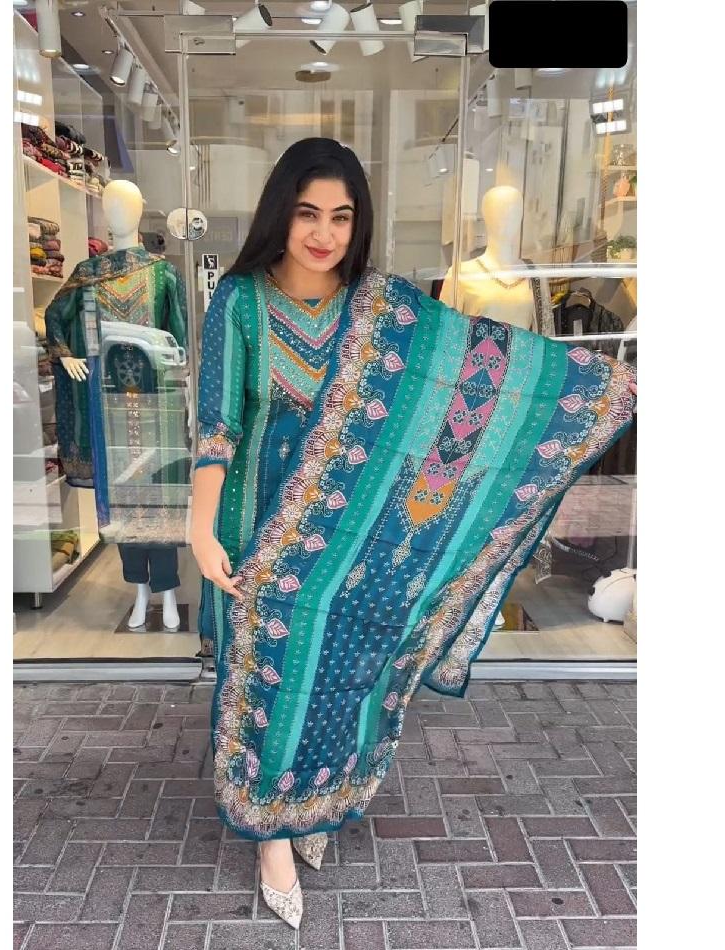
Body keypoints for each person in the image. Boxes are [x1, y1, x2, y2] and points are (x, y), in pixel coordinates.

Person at [189, 138, 636, 929]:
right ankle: (270, 835)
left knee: (338, 671)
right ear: (279, 214)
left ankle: (313, 802)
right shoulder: (241, 301)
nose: (323, 233)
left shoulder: (383, 307)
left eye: (341, 217)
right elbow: (219, 425)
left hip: (359, 533)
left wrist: (596, 384)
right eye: (307, 214)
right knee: (267, 674)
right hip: (259, 522)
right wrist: (200, 524)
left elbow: (483, 366)